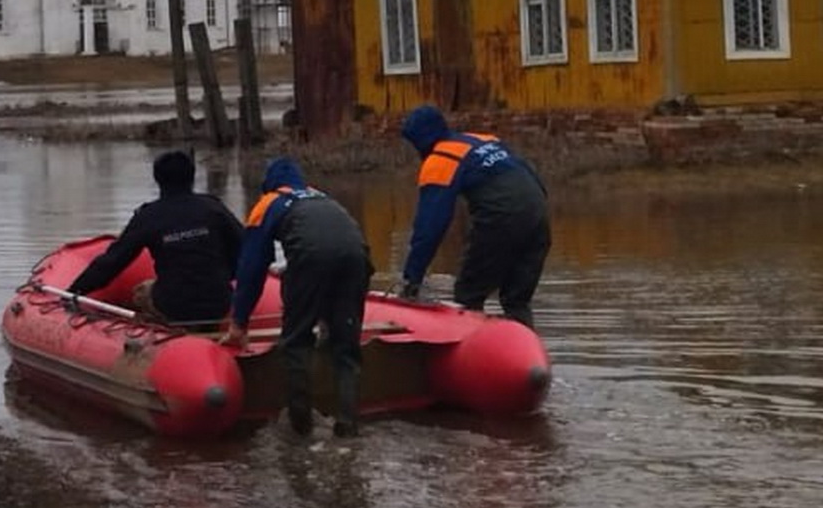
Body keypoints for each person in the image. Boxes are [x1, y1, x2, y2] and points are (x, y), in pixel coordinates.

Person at [224, 157, 373, 438]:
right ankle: (348, 425)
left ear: (269, 185)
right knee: (346, 348)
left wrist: (239, 322)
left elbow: (252, 268)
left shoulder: (268, 204)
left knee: (296, 341)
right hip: (357, 257)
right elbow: (346, 244)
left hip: (311, 258)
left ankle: (300, 426)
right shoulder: (322, 197)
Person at [400, 105, 550, 329]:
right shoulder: (482, 139)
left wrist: (412, 278)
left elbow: (430, 227)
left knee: (468, 294)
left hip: (501, 217)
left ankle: (467, 352)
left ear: (419, 142)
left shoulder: (441, 159)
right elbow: (526, 172)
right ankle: (528, 356)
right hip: (539, 213)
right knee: (516, 300)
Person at [67, 150, 243, 326]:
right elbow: (246, 247)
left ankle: (157, 331)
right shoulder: (214, 208)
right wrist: (226, 275)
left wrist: (74, 291)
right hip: (220, 302)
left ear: (157, 179)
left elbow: (113, 262)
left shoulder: (149, 216)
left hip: (174, 305)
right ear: (192, 176)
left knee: (141, 291)